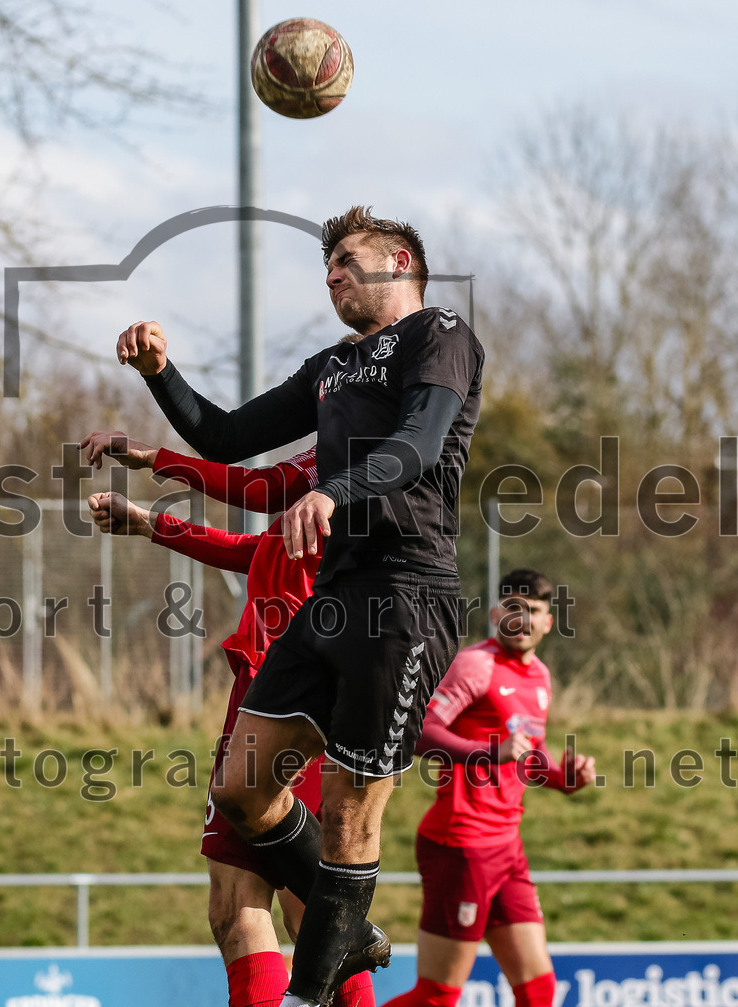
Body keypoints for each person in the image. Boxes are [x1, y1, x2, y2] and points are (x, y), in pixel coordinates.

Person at [114, 206, 486, 1007]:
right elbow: (227, 435)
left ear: (398, 260)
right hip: (332, 600)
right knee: (240, 790)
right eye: (327, 267)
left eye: (347, 261)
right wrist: (160, 373)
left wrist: (333, 491)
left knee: (352, 813)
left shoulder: (440, 332)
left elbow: (418, 443)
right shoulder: (331, 364)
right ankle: (347, 924)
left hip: (406, 598)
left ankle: (304, 995)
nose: (332, 276)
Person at [80, 430, 376, 1007]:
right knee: (235, 904)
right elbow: (255, 546)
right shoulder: (332, 453)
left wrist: (155, 459)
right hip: (264, 693)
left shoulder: (366, 467)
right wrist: (149, 521)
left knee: (310, 911)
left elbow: (253, 487)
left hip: (296, 703)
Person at [381, 569, 596, 1007]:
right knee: (436, 997)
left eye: (534, 610)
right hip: (460, 844)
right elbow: (418, 733)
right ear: (498, 613)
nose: (523, 618)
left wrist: (563, 779)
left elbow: (528, 755)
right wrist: (487, 752)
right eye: (514, 608)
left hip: (506, 847)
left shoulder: (539, 676)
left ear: (548, 622)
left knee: (538, 990)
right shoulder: (475, 666)